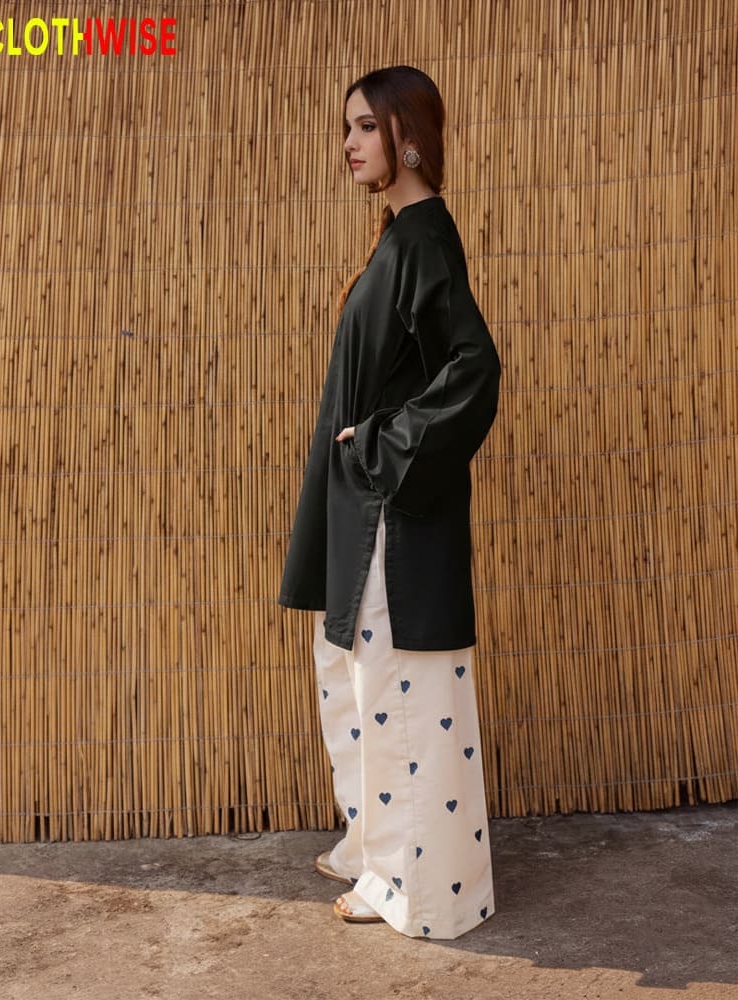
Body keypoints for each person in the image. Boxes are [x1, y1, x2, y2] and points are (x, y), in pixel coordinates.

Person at [277, 65, 501, 940]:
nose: (348, 143)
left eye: (364, 127)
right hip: (365, 509)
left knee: (397, 691)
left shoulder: (422, 241)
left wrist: (378, 442)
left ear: (407, 136)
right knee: (355, 680)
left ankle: (413, 886)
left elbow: (472, 370)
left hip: (391, 517)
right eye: (347, 128)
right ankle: (375, 846)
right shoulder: (399, 238)